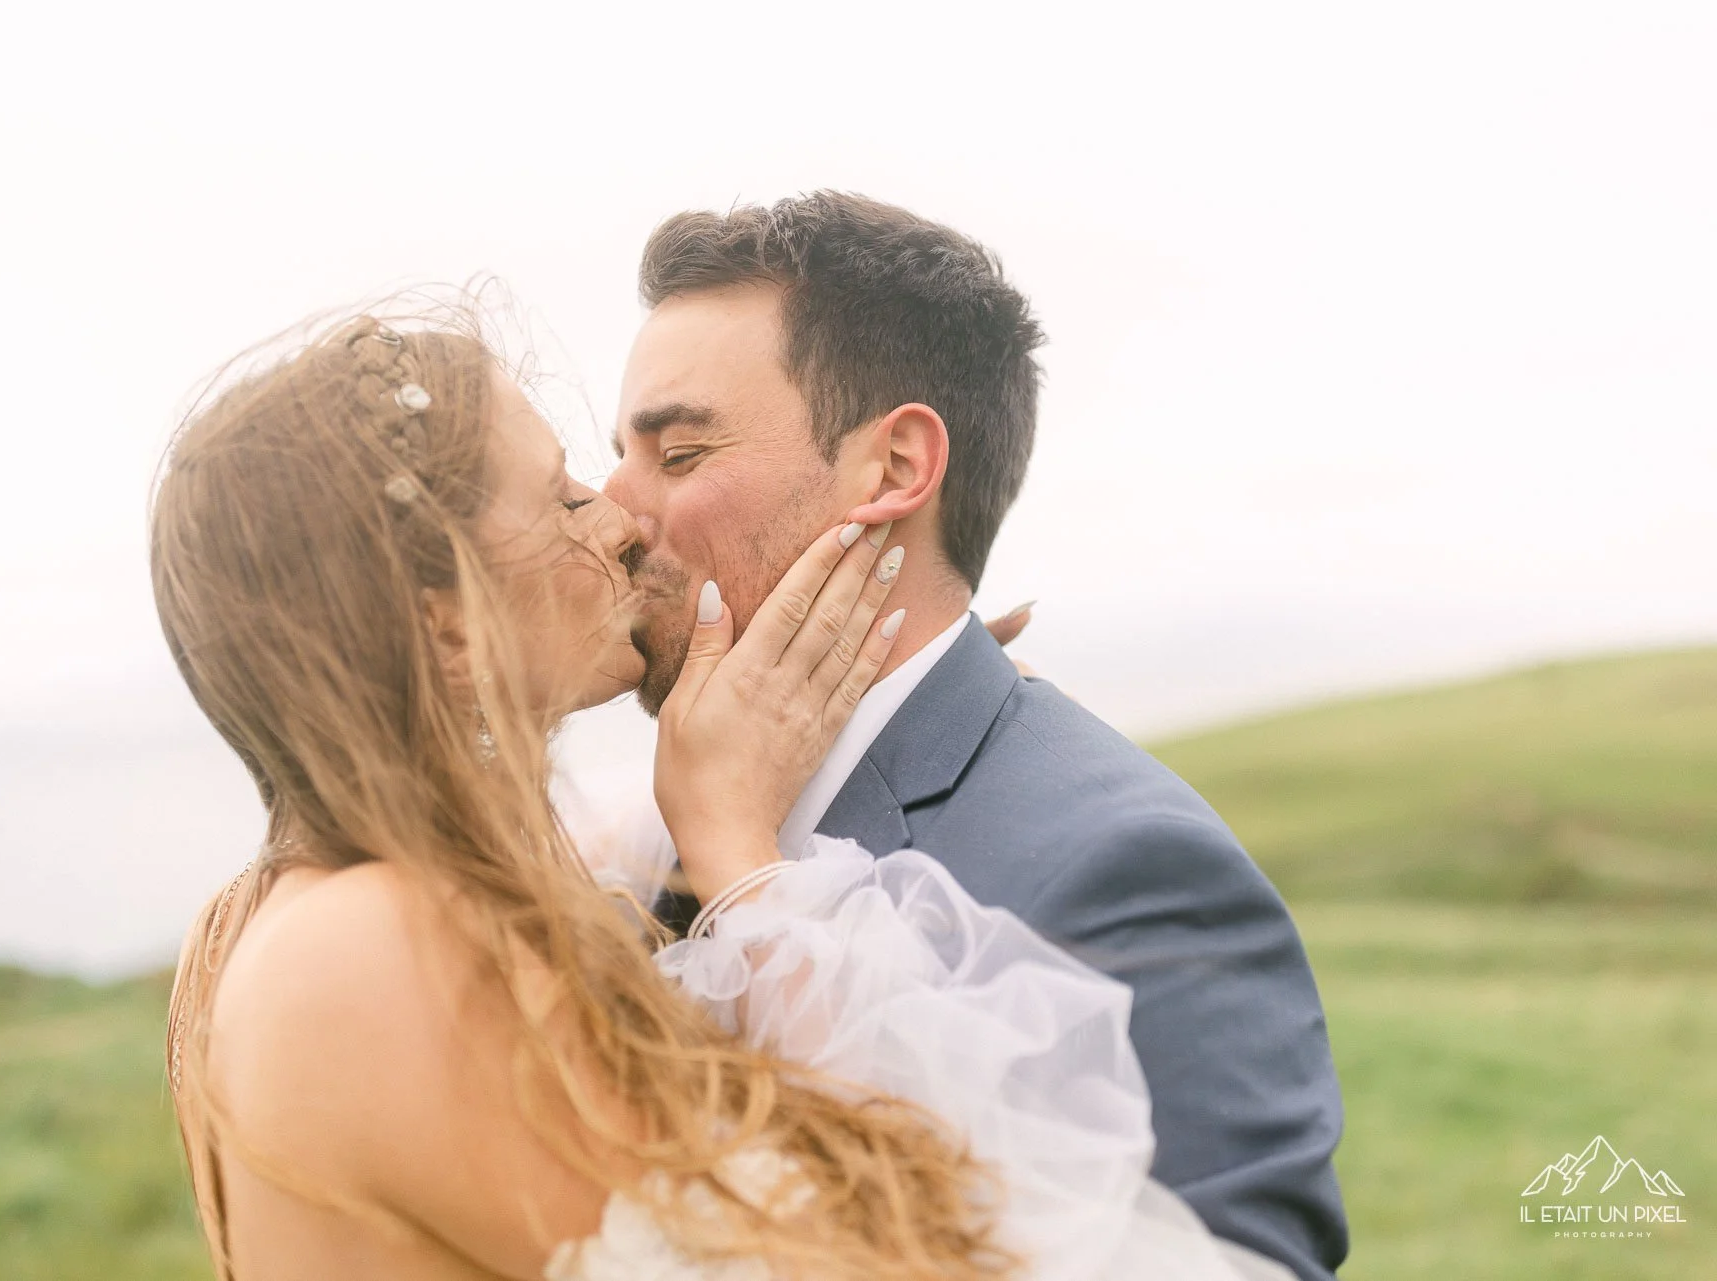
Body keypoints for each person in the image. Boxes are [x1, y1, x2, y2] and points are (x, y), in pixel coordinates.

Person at [153, 311, 1288, 1279]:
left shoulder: (362, 901)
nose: (617, 519)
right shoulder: (374, 947)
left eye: (678, 456)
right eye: (562, 499)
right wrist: (740, 847)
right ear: (448, 628)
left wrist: (888, 697)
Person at [597, 192, 1349, 1281]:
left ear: (898, 467)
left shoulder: (1125, 871)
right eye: (619, 457)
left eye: (677, 454)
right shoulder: (642, 838)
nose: (612, 515)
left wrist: (743, 870)